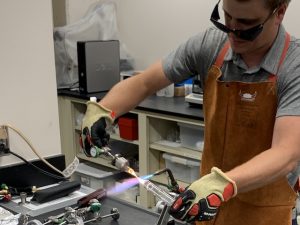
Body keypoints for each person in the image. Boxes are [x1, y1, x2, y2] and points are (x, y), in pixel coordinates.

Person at [81, 0, 300, 224]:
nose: (232, 31)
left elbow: (286, 154)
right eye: (226, 17)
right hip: (207, 209)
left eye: (246, 24)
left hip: (265, 215)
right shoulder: (210, 45)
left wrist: (221, 184)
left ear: (279, 12)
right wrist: (102, 110)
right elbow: (145, 83)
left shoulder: (295, 65)